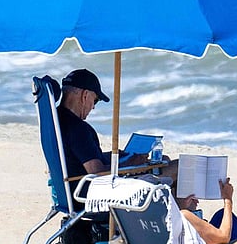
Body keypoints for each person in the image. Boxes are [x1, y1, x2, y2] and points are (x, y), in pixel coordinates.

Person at [58, 68, 178, 207]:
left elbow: (78, 158)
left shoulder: (57, 121)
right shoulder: (78, 128)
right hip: (92, 196)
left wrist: (114, 156)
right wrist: (131, 164)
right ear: (85, 95)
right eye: (95, 101)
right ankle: (180, 222)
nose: (93, 107)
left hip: (72, 190)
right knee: (176, 167)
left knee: (163, 161)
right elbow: (98, 173)